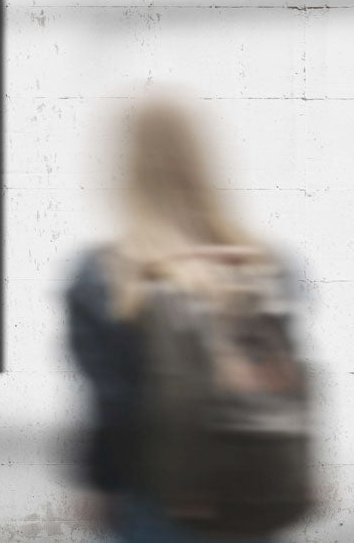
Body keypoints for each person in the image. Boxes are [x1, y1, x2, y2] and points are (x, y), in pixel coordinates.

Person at [65, 93, 308, 542]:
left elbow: (114, 410)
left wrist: (100, 487)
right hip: (255, 493)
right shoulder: (270, 266)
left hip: (158, 502)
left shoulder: (106, 276)